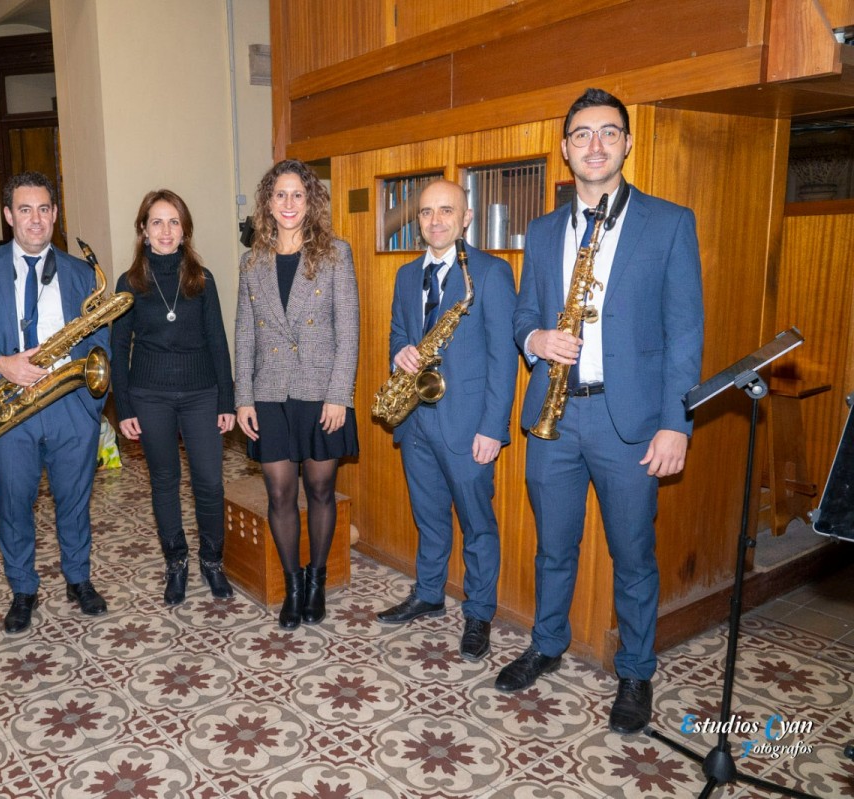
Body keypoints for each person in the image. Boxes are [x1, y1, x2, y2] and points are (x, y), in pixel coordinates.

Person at [498, 88, 704, 734]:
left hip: (634, 424)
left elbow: (685, 331)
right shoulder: (540, 230)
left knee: (634, 554)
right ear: (565, 149)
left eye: (607, 133)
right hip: (554, 419)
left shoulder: (669, 222)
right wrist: (534, 341)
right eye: (581, 134)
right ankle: (548, 642)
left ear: (627, 142)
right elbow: (525, 315)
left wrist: (677, 420)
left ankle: (636, 671)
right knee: (553, 549)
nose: (594, 145)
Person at [0, 171, 110, 633]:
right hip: (6, 406)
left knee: (75, 501)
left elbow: (101, 340)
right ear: (8, 216)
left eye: (43, 209)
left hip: (69, 405)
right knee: (14, 503)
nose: (35, 220)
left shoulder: (82, 273)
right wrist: (1, 363)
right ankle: (23, 588)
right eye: (24, 210)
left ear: (55, 214)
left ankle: (79, 579)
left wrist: (89, 407)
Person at [376, 180, 517, 664]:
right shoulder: (404, 275)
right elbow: (398, 330)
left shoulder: (492, 274)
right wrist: (401, 349)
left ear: (467, 217)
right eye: (427, 213)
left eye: (446, 211)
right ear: (417, 220)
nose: (435, 221)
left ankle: (479, 613)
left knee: (478, 527)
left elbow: (504, 358)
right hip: (417, 422)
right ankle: (430, 593)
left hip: (468, 425)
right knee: (429, 517)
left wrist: (493, 430)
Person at [235, 159, 359, 629]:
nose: (288, 204)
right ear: (268, 202)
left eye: (297, 196)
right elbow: (244, 333)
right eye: (280, 195)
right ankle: (291, 586)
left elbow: (348, 331)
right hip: (269, 392)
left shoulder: (335, 255)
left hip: (319, 389)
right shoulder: (253, 262)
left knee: (321, 488)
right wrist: (242, 398)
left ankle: (317, 581)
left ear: (311, 203)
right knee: (280, 492)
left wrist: (339, 395)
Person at [112, 190, 236, 606]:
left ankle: (212, 562)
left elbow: (218, 342)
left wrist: (226, 401)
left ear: (184, 232)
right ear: (143, 231)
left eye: (174, 222)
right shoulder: (128, 284)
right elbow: (118, 347)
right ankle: (177, 562)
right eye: (157, 222)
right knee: (164, 482)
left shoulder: (203, 279)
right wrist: (124, 407)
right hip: (150, 396)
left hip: (202, 393)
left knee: (209, 482)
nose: (166, 231)